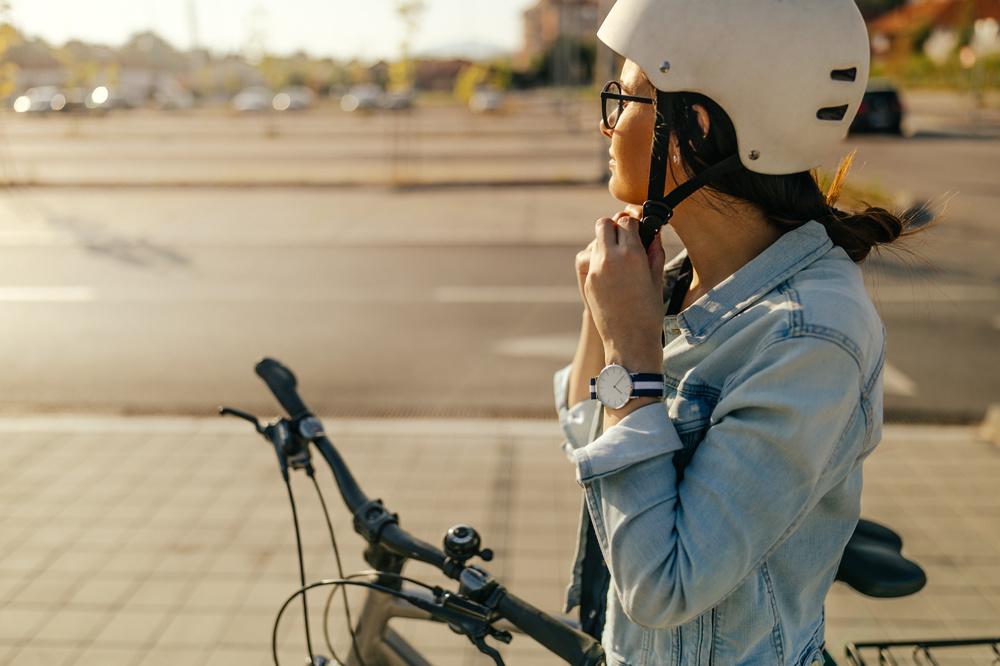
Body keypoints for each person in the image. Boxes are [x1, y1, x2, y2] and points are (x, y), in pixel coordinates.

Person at [554, 0, 912, 663]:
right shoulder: (682, 276)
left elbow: (662, 589)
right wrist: (603, 312)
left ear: (692, 125)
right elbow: (588, 435)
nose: (607, 128)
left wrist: (630, 355)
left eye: (625, 99)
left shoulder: (808, 339)